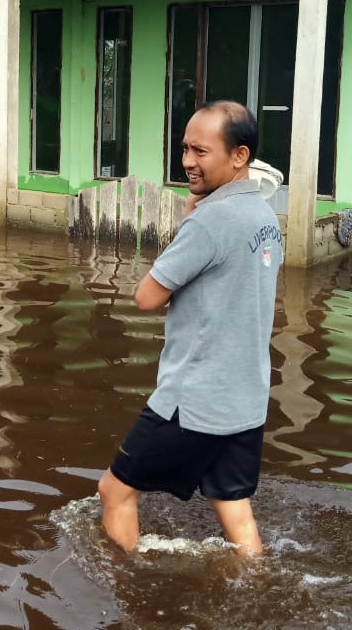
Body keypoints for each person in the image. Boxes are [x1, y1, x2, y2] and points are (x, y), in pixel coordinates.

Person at [97, 100, 282, 556]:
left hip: (193, 400)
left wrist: (189, 222)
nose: (186, 162)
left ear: (239, 156)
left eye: (200, 151)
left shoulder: (210, 220)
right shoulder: (264, 217)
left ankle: (125, 591)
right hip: (246, 398)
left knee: (114, 491)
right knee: (233, 506)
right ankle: (256, 589)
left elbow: (147, 297)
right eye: (184, 149)